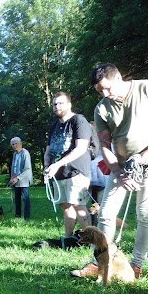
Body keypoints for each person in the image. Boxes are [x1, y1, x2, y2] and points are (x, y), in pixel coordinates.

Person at [72, 64, 148, 280]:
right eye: (100, 91)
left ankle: (136, 264)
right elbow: (104, 146)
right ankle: (99, 261)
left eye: (108, 88)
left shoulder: (147, 88)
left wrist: (147, 154)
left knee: (144, 213)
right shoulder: (101, 108)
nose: (105, 94)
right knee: (106, 213)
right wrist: (119, 173)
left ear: (119, 78)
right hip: (121, 166)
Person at [43, 92, 92, 238]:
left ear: (69, 104)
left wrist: (57, 164)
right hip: (58, 174)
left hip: (76, 172)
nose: (57, 106)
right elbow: (48, 151)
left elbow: (81, 148)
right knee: (66, 206)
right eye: (54, 104)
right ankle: (68, 239)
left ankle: (94, 241)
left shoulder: (78, 121)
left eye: (60, 103)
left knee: (78, 205)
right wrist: (47, 168)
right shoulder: (54, 127)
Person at [9, 137, 32, 220]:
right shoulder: (15, 154)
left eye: (16, 143)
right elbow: (14, 167)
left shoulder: (25, 153)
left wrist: (18, 178)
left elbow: (28, 169)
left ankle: (27, 217)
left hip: (24, 180)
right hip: (15, 180)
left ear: (20, 143)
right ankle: (18, 216)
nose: (14, 146)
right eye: (12, 144)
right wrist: (12, 177)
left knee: (25, 199)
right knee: (17, 199)